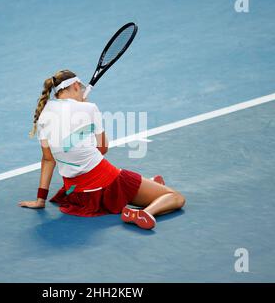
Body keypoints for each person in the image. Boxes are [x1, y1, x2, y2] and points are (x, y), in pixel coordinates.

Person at [19, 70, 185, 229]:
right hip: (107, 182)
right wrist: (87, 109)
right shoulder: (90, 108)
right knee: (175, 197)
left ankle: (148, 186)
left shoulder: (44, 112)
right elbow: (103, 149)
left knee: (132, 180)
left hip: (76, 193)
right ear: (76, 86)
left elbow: (48, 159)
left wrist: (41, 199)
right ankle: (143, 212)